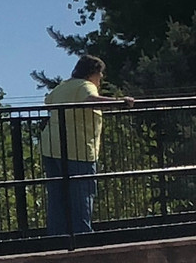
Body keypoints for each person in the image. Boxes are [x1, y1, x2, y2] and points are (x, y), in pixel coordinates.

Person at [40, 55, 133, 235]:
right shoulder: (86, 85)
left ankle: (56, 240)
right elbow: (89, 99)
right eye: (100, 74)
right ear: (93, 73)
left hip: (50, 147)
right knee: (82, 194)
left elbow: (48, 103)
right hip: (78, 149)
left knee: (57, 197)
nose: (101, 78)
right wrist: (120, 102)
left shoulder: (63, 86)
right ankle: (83, 239)